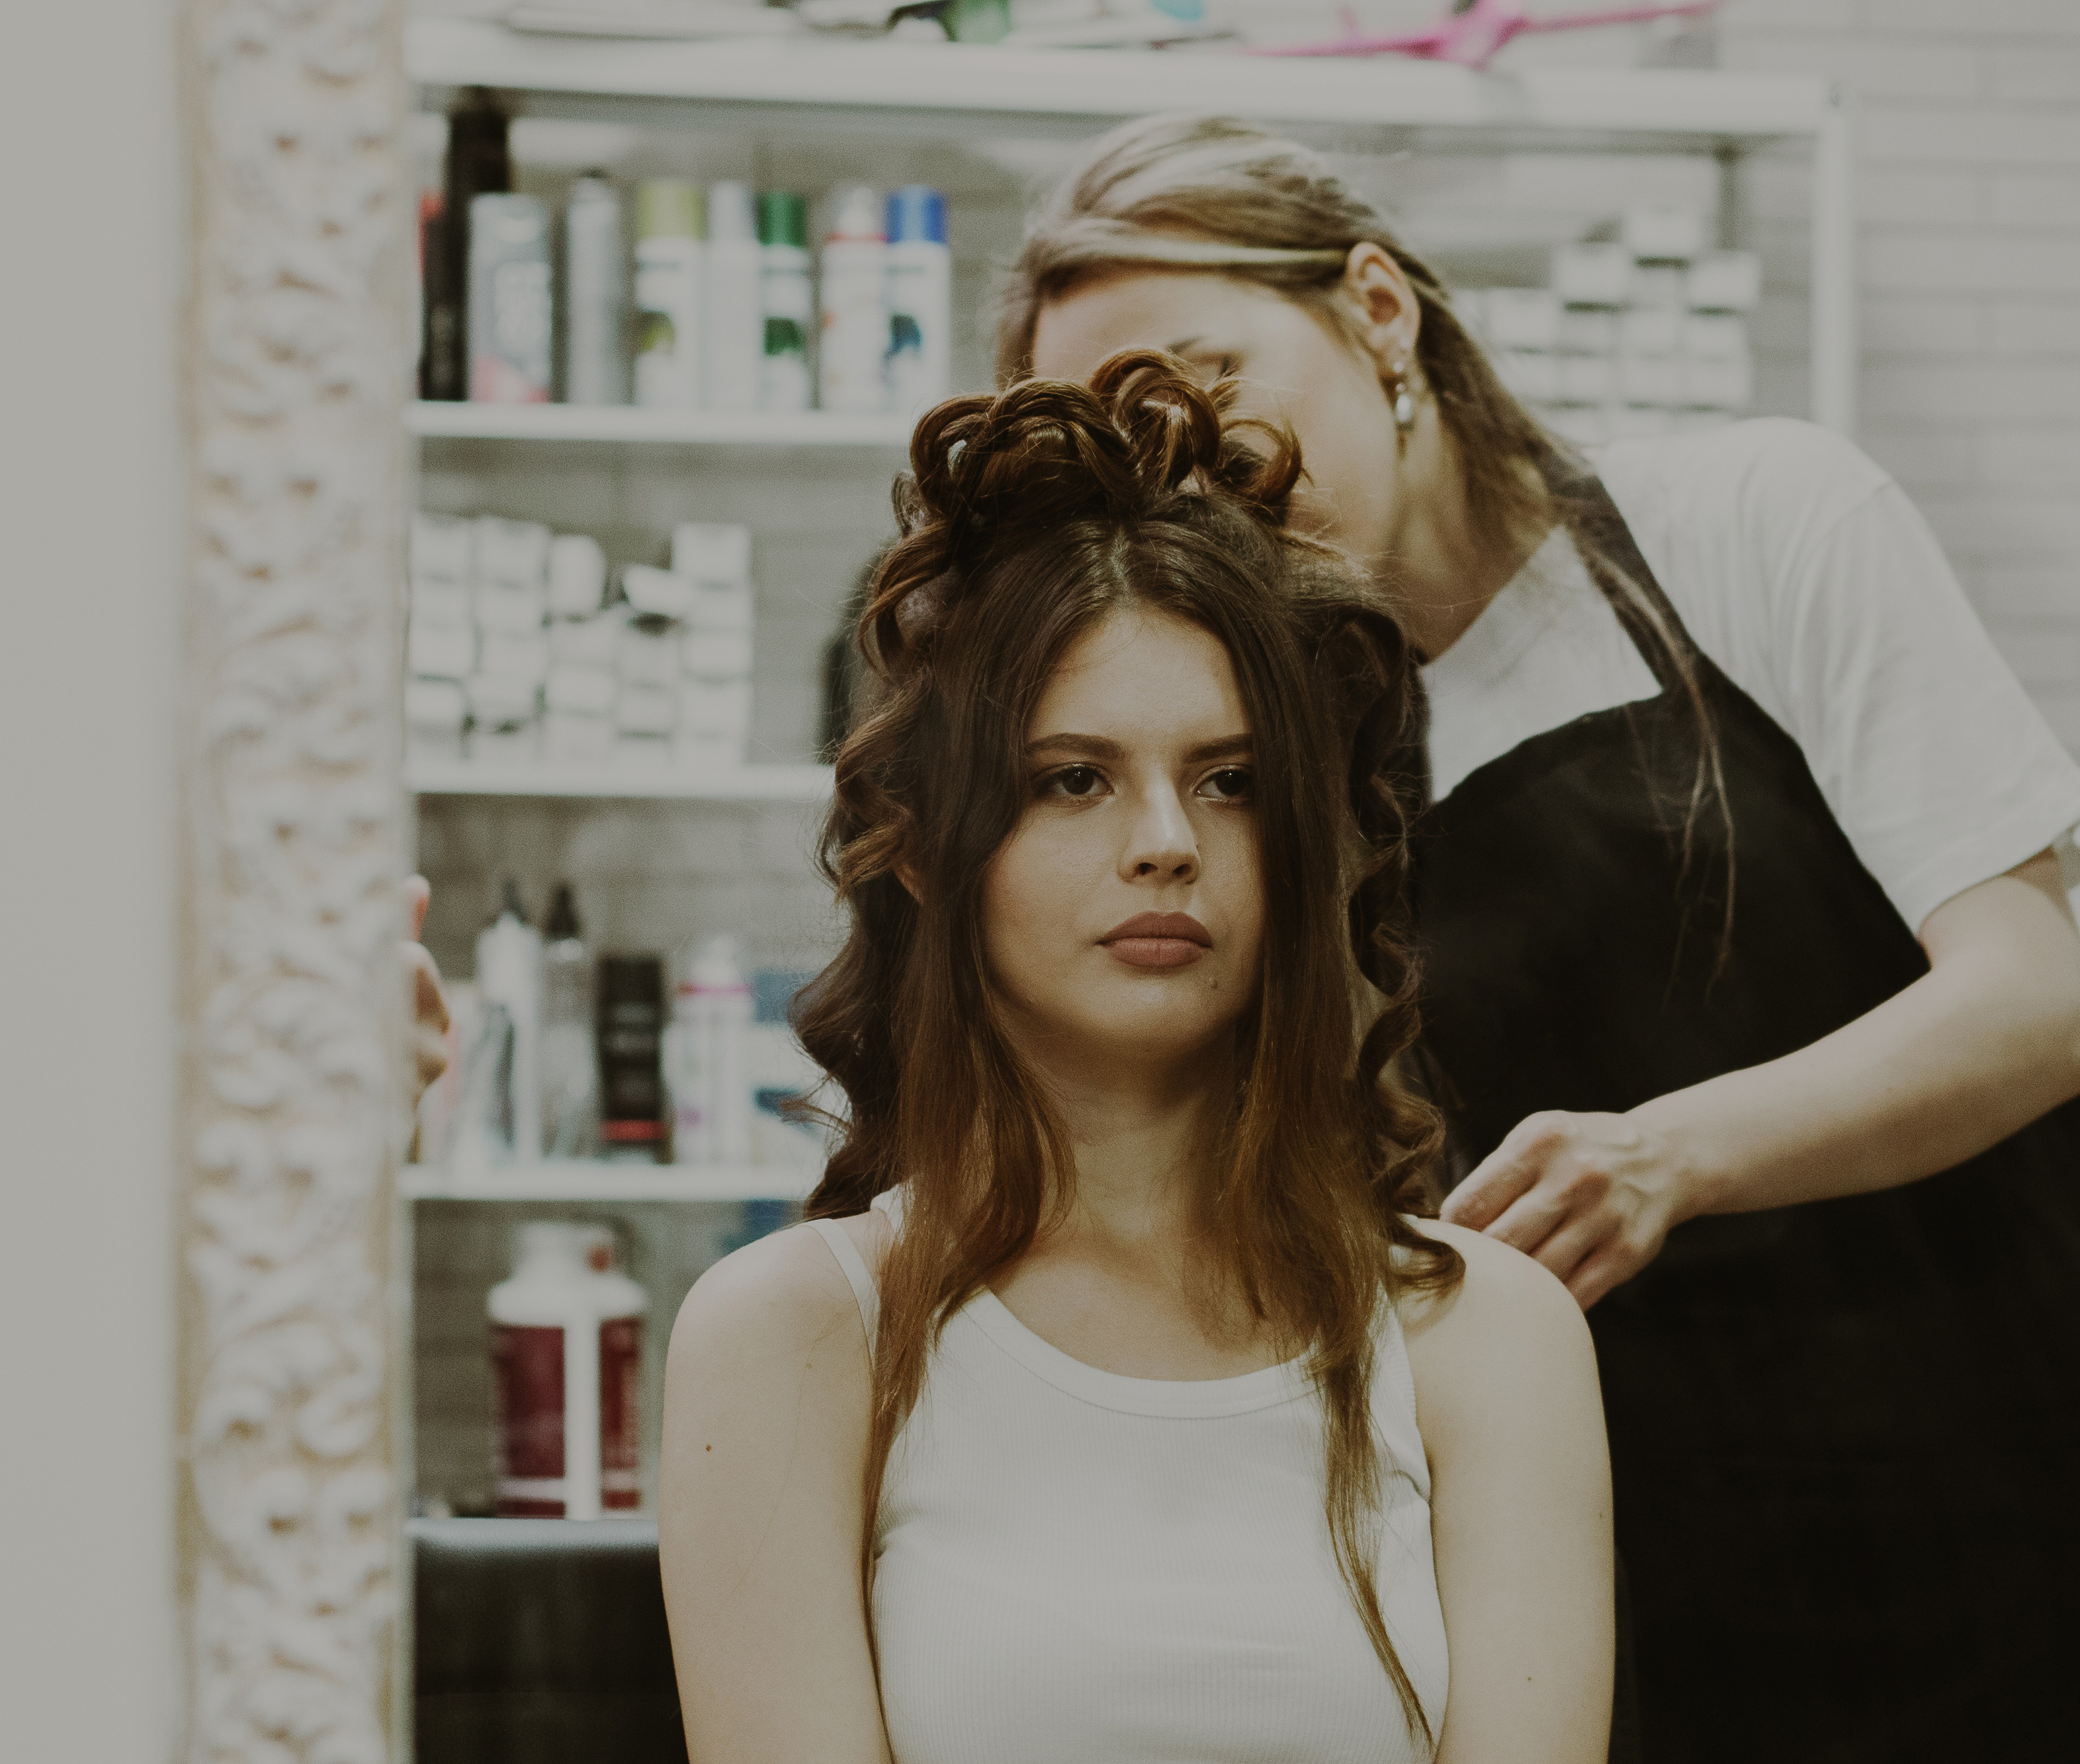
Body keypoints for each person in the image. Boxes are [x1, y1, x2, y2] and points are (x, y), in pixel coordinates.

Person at [1010, 116, 2080, 1761]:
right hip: (1651, 1536)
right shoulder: (1262, 768)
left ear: (1376, 311)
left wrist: (1667, 1156)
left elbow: (2030, 1006)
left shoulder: (1751, 522)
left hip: (2020, 1443)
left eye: (1209, 373)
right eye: (1132, 438)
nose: (1198, 462)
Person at [656, 354, 1614, 1764]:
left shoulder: (1487, 1337)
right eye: (1072, 778)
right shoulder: (796, 1337)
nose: (1166, 837)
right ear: (925, 849)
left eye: (1229, 781)